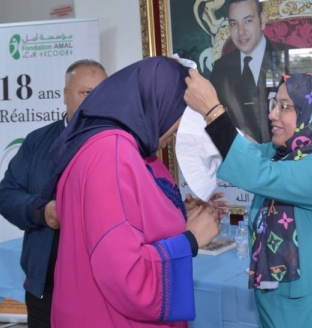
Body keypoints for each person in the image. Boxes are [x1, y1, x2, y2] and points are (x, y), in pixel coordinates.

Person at [44, 56, 221, 327]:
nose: (172, 137)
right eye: (177, 125)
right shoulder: (111, 152)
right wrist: (191, 239)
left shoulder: (115, 145)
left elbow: (120, 221)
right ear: (159, 103)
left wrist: (177, 214)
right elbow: (125, 274)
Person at [184, 69, 312, 327]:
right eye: (274, 104)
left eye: (284, 107)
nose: (272, 115)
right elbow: (239, 152)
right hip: (274, 311)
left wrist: (212, 109)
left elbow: (257, 172)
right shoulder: (282, 154)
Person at [0, 59, 107, 328]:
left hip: (101, 285)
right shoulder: (37, 142)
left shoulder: (119, 143)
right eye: (86, 93)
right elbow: (7, 195)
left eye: (101, 93)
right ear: (65, 94)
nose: (95, 101)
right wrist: (41, 211)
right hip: (46, 286)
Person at [209, 0, 294, 143]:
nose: (241, 32)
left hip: (285, 153)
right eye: (234, 24)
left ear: (262, 20)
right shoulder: (221, 69)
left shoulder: (291, 59)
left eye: (247, 21)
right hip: (238, 154)